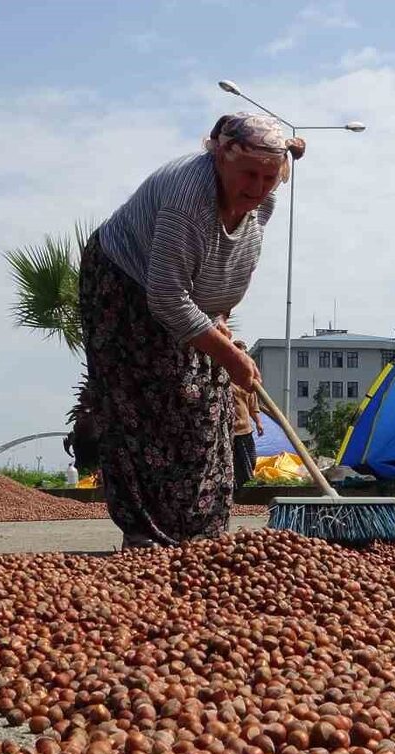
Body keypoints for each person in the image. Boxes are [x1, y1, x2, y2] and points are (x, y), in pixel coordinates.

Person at [79, 113, 306, 549]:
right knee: (154, 404)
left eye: (269, 177)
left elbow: (221, 252)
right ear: (220, 158)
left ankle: (203, 535)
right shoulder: (188, 199)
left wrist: (217, 323)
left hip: (190, 298)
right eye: (249, 175)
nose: (258, 187)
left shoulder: (264, 194)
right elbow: (166, 296)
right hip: (125, 287)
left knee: (212, 403)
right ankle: (150, 536)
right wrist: (231, 354)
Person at [230, 340, 266, 489]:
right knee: (234, 461)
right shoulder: (226, 380)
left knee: (250, 460)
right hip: (231, 430)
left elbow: (253, 406)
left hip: (245, 429)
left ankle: (245, 486)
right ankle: (238, 489)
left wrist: (258, 422)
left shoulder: (246, 383)